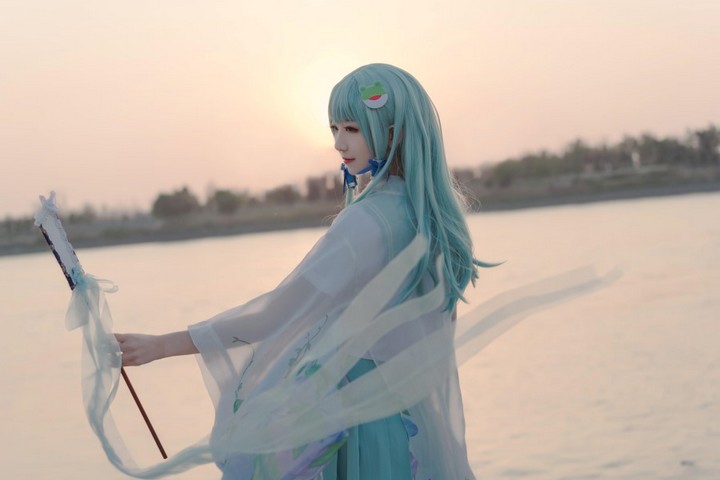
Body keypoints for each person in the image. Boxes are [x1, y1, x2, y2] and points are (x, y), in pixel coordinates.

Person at [116, 63, 482, 479]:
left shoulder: (366, 221)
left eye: (352, 128)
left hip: (353, 424)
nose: (339, 143)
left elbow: (276, 314)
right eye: (335, 128)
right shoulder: (430, 220)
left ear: (393, 132)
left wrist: (162, 345)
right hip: (408, 425)